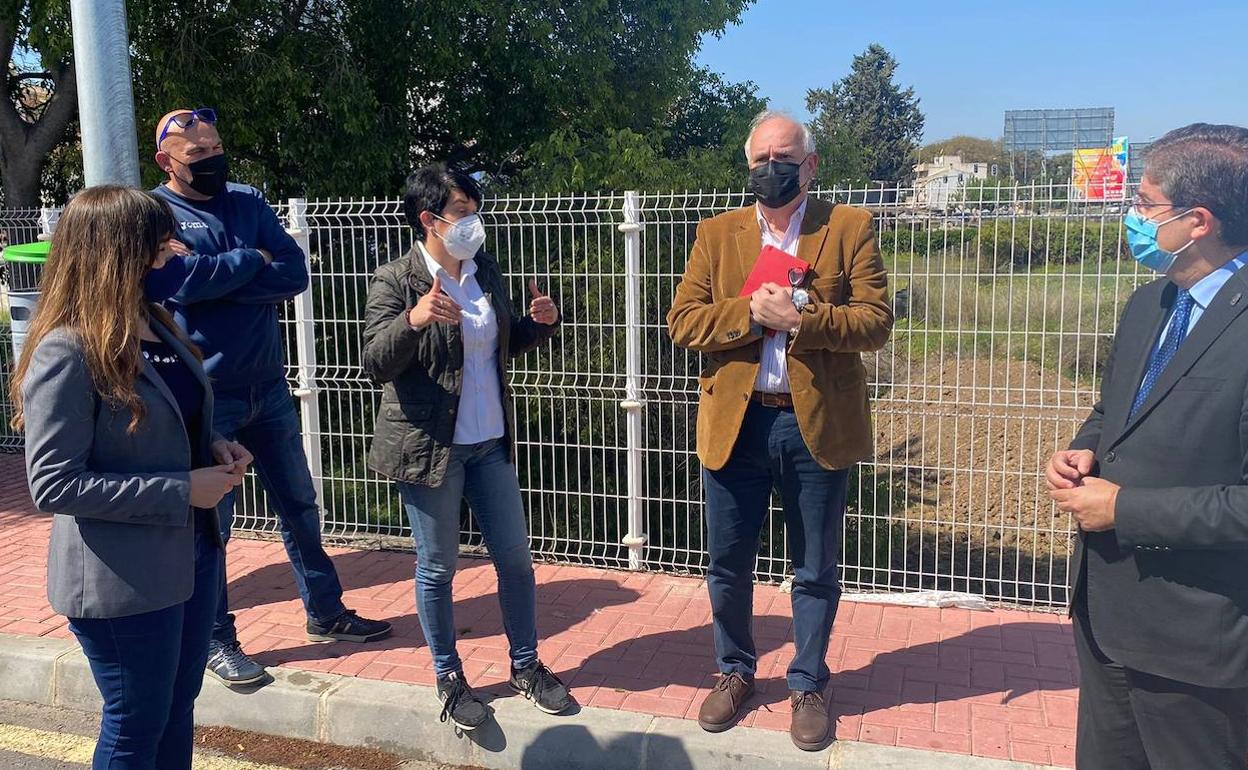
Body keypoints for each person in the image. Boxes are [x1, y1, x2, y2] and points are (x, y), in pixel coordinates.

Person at [667, 110, 893, 750]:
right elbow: (683, 322)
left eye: (784, 157)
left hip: (813, 423)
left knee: (815, 565)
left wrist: (803, 318)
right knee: (728, 563)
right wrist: (750, 313)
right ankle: (735, 671)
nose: (772, 169)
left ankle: (809, 683)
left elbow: (876, 321)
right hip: (736, 424)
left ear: (810, 163)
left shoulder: (848, 227)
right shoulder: (717, 234)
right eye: (760, 160)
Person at [11, 185, 252, 769]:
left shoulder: (158, 324)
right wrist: (182, 488)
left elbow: (171, 422)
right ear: (117, 254)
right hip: (122, 577)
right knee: (135, 726)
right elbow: (54, 484)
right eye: (159, 241)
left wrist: (213, 446)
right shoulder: (67, 351)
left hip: (191, 554)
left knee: (178, 709)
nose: (175, 249)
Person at [150, 108, 391, 687]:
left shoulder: (247, 200)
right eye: (196, 155)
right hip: (210, 398)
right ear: (166, 162)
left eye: (215, 148)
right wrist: (251, 261)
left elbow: (294, 272)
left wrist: (222, 275)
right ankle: (215, 639)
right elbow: (180, 283)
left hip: (269, 386)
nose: (211, 161)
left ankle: (327, 613)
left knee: (301, 508)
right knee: (214, 527)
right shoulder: (155, 214)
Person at [1046, 123, 1248, 769]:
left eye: (1144, 204)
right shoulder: (1151, 303)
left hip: (1199, 639)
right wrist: (1085, 451)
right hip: (1108, 615)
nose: (1131, 218)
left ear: (1198, 221)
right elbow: (1115, 412)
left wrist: (1125, 510)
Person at [361, 164, 571, 731]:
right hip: (431, 447)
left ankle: (526, 666)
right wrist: (414, 318)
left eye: (475, 209)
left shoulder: (485, 272)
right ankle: (449, 677)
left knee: (516, 561)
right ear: (429, 220)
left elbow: (499, 346)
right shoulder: (396, 281)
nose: (472, 221)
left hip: (489, 444)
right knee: (438, 567)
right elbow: (375, 361)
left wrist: (539, 324)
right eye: (462, 212)